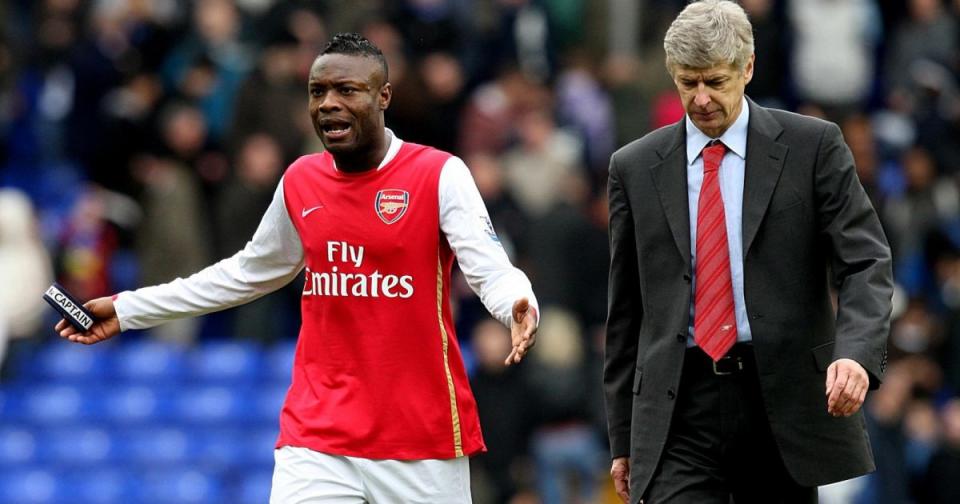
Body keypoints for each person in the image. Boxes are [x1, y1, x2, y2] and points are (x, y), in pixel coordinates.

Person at [56, 32, 539, 503]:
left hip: (419, 439)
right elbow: (242, 274)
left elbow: (490, 268)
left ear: (383, 96)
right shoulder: (300, 181)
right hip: (318, 436)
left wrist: (516, 303)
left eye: (346, 90)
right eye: (317, 91)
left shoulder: (439, 174)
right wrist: (127, 309)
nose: (328, 103)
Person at [603, 1, 893, 503]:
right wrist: (624, 439)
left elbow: (866, 260)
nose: (700, 99)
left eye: (715, 81)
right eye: (687, 82)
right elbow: (626, 312)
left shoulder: (813, 147)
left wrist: (855, 354)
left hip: (782, 406)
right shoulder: (633, 168)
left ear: (748, 67)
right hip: (679, 410)